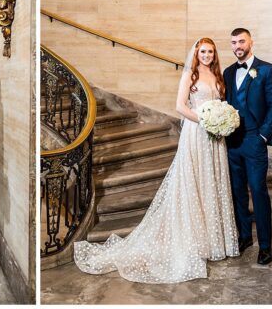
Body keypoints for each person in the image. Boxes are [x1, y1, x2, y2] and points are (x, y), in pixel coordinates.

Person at [73, 37, 239, 283]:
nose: (207, 55)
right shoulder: (190, 76)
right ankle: (196, 241)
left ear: (215, 54)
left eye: (210, 52)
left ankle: (215, 241)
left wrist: (222, 120)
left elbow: (220, 104)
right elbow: (180, 107)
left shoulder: (218, 76)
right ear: (196, 54)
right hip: (196, 133)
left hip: (215, 138)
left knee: (212, 182)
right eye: (203, 51)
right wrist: (204, 120)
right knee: (194, 182)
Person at [222, 28, 272, 266]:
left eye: (241, 41)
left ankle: (265, 246)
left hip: (254, 141)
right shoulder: (228, 72)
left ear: (251, 42)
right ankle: (244, 236)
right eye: (234, 42)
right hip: (232, 142)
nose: (237, 46)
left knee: (258, 191)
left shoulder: (267, 70)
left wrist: (262, 136)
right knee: (237, 192)